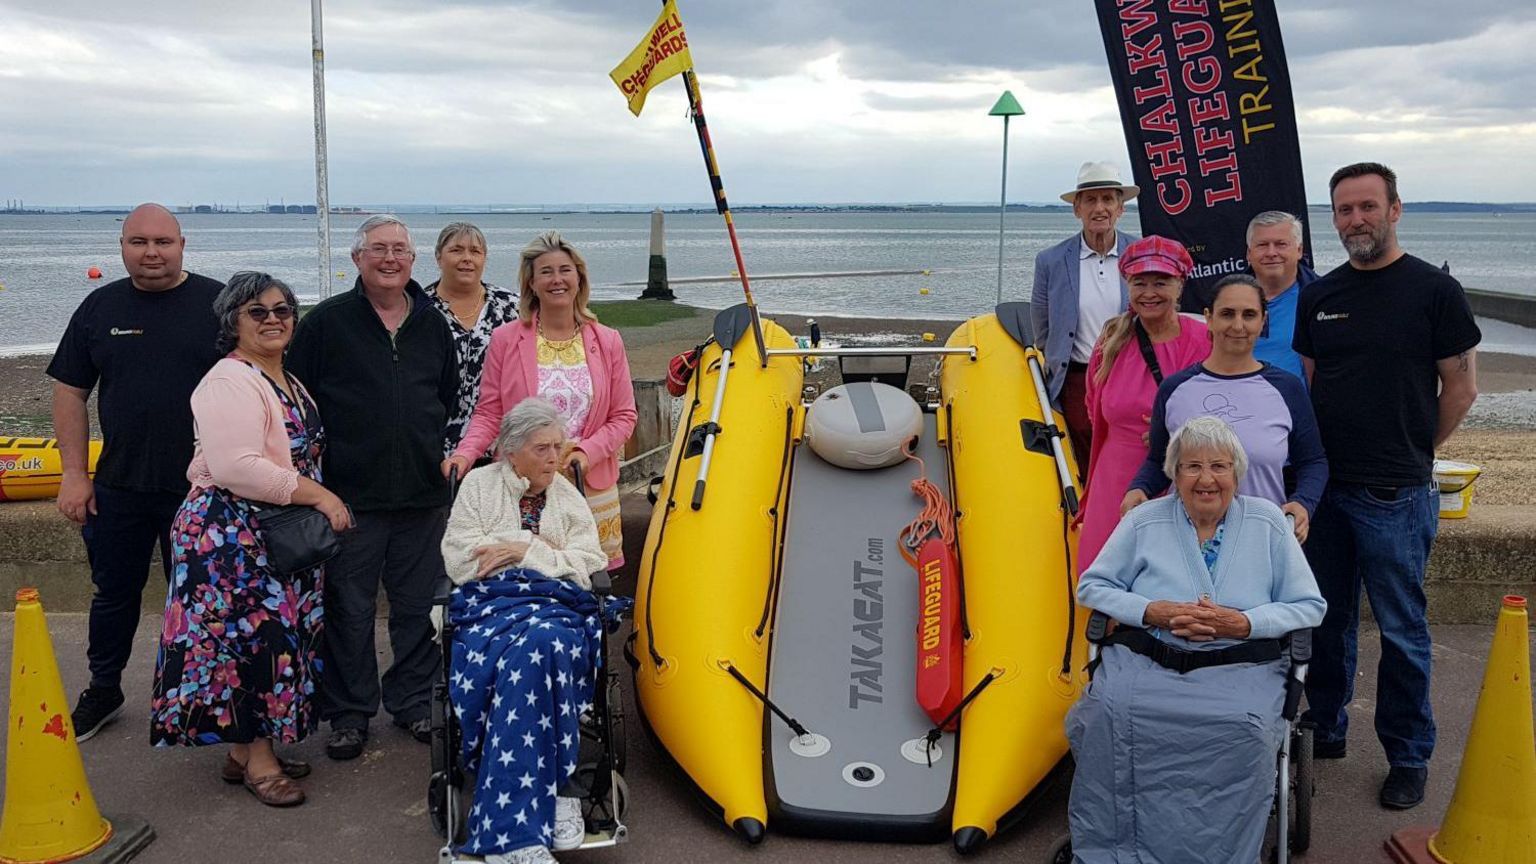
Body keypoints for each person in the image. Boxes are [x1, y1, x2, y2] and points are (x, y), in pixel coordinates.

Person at [1295, 162, 1480, 809]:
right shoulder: (1320, 296)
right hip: (1328, 492)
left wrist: (1414, 450)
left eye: (1368, 207)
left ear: (1395, 209)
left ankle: (1408, 755)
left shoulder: (1434, 292)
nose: (1356, 220)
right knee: (1326, 620)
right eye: (1344, 210)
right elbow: (1314, 385)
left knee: (1402, 632)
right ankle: (1327, 725)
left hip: (1396, 495)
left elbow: (1461, 389)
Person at [1067, 416, 1326, 863]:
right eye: (1192, 466)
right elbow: (1092, 587)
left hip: (1243, 665)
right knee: (1104, 717)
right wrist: (1152, 610)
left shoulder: (1268, 522)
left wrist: (1242, 623)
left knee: (1244, 729)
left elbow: (1308, 605)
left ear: (1236, 474)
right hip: (1150, 659)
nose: (1206, 479)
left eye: (1219, 466)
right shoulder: (1145, 520)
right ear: (1174, 473)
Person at [150, 272, 353, 807]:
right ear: (232, 321)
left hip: (274, 533)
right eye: (256, 311)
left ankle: (242, 753)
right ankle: (259, 762)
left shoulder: (283, 377)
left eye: (282, 309)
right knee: (247, 648)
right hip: (227, 536)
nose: (273, 319)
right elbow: (237, 467)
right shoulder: (228, 380)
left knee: (275, 641)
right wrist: (322, 497)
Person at [48, 203, 224, 742]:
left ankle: (203, 696)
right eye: (139, 242)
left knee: (200, 598)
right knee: (113, 594)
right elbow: (69, 392)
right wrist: (74, 474)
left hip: (201, 487)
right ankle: (104, 687)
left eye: (163, 242)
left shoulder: (217, 304)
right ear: (122, 246)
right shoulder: (99, 307)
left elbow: (257, 380)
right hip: (121, 484)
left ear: (182, 244)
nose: (151, 253)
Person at [286, 215, 459, 760]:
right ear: (358, 259)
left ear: (413, 260)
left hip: (421, 495)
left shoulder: (434, 322)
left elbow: (447, 397)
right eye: (378, 249)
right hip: (348, 498)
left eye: (400, 250)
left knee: (417, 608)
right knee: (349, 608)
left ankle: (410, 703)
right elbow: (298, 399)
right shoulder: (328, 322)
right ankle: (350, 712)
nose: (390, 259)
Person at [441, 398, 612, 864]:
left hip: (556, 608)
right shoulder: (479, 485)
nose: (554, 457)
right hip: (492, 609)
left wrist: (522, 549)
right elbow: (459, 557)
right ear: (510, 452)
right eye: (542, 448)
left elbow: (590, 562)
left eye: (558, 446)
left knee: (544, 641)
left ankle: (520, 825)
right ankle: (556, 796)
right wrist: (546, 551)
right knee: (537, 647)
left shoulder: (567, 496)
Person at [447, 231, 636, 570]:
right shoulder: (506, 339)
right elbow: (491, 412)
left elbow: (623, 416)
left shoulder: (607, 341)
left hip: (586, 480)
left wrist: (587, 452)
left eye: (565, 270)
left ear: (579, 278)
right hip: (522, 483)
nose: (557, 279)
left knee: (587, 577)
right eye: (546, 272)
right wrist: (465, 453)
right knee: (522, 571)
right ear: (531, 283)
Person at [1122, 274, 1327, 542]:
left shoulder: (1287, 389)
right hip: (1185, 541)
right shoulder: (1175, 389)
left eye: (1249, 314)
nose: (1238, 325)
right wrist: (1139, 488)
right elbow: (1158, 461)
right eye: (1227, 314)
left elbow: (1313, 461)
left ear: (1263, 321)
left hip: (1261, 541)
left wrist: (1303, 503)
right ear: (1209, 318)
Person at [1077, 236, 1209, 569]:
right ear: (1128, 285)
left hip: (1180, 478)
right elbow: (1095, 408)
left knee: (1172, 578)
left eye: (1161, 282)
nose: (1149, 292)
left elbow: (1219, 407)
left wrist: (1173, 434)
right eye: (1139, 282)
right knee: (1105, 575)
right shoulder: (1111, 341)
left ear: (1180, 285)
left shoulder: (1202, 340)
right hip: (1115, 477)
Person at [1030, 161, 1139, 467]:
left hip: (1129, 375)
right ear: (1077, 209)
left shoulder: (1140, 253)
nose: (1099, 208)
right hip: (1077, 379)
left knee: (1128, 452)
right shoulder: (1050, 260)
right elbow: (1042, 325)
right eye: (1090, 200)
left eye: (1108, 199)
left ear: (1121, 208)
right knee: (1086, 458)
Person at [424, 222, 519, 457]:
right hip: (434, 445)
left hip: (501, 445)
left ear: (484, 258)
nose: (467, 258)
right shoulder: (419, 310)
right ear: (438, 257)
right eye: (456, 250)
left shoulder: (512, 307)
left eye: (475, 251)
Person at [1244, 210, 1318, 381]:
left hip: (1303, 405)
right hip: (1242, 404)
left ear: (1299, 250)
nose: (1271, 253)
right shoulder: (1228, 301)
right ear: (1249, 253)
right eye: (1262, 245)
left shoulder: (1321, 299)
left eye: (1281, 244)